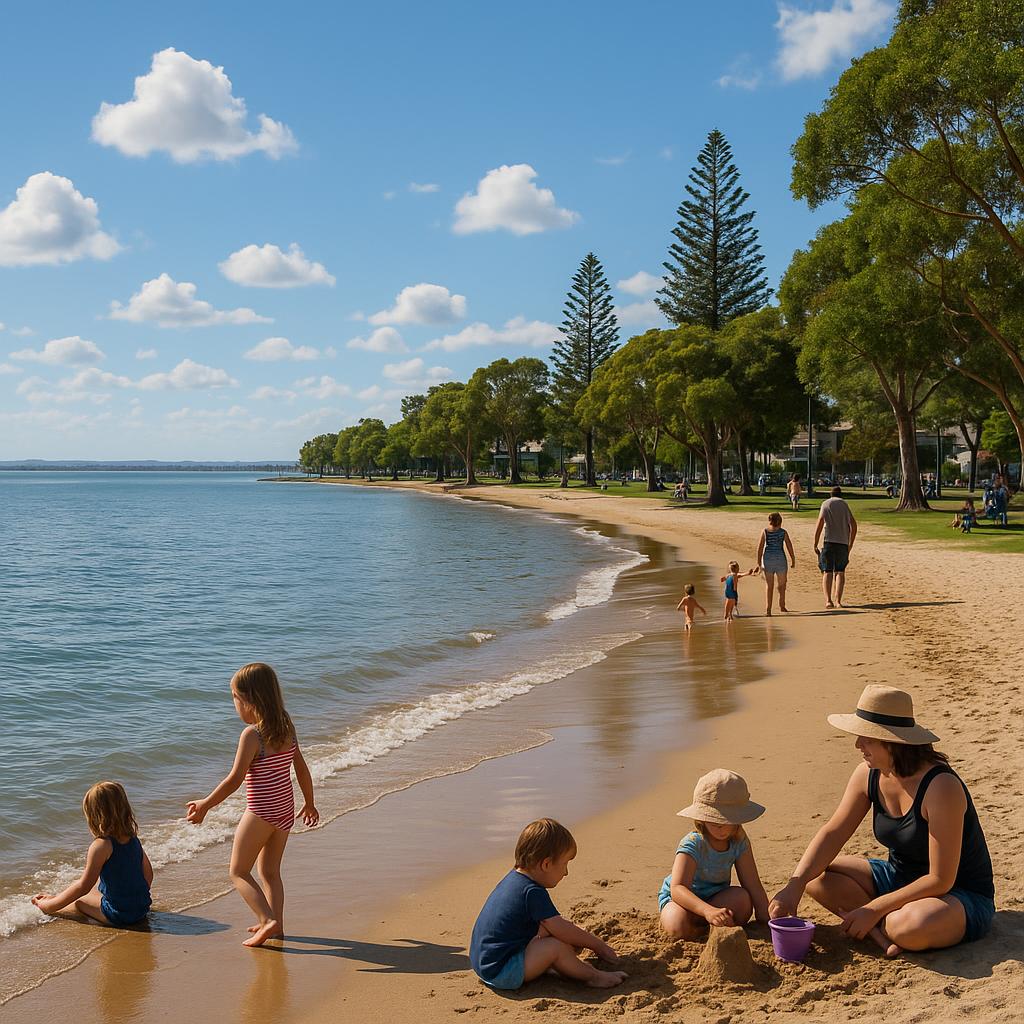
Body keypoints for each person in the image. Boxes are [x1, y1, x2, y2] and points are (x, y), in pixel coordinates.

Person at [769, 685, 994, 957]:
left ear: (891, 741)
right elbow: (833, 832)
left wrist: (873, 909)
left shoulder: (941, 787)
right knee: (814, 876)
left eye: (866, 738)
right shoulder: (868, 774)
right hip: (898, 879)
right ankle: (878, 930)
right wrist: (794, 886)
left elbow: (940, 879)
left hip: (958, 895)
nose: (857, 745)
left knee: (908, 927)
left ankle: (880, 925)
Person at [187, 662, 319, 947]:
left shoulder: (253, 735)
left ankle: (266, 920)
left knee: (238, 871)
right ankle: (277, 926)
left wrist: (206, 804)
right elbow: (302, 768)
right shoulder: (287, 725)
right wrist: (309, 802)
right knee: (270, 872)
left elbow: (234, 779)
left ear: (249, 700)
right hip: (285, 810)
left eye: (235, 699)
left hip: (261, 812)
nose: (235, 706)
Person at [469, 818, 627, 991]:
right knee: (555, 946)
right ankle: (594, 977)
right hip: (501, 972)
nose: (566, 872)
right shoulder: (532, 891)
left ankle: (558, 965)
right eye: (565, 864)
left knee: (552, 932)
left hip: (483, 963)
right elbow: (559, 927)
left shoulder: (513, 879)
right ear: (546, 864)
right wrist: (599, 946)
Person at [659, 769, 770, 939]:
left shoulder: (739, 841)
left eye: (728, 821)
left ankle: (704, 925)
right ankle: (696, 924)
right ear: (702, 818)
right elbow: (678, 888)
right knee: (677, 926)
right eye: (715, 821)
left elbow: (752, 883)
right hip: (682, 902)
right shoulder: (693, 843)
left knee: (743, 901)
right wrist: (707, 911)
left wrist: (767, 918)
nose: (722, 828)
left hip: (716, 897)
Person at [32, 781, 152, 927]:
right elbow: (148, 874)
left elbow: (83, 886)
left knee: (79, 900)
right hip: (142, 908)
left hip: (119, 916)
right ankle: (55, 898)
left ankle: (51, 905)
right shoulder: (133, 838)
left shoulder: (101, 845)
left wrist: (48, 906)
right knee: (96, 888)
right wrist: (135, 899)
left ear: (94, 815)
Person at [813, 486, 857, 609]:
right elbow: (853, 524)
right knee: (840, 572)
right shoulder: (844, 504)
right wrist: (850, 543)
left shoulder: (825, 504)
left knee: (827, 571)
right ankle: (838, 601)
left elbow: (820, 522)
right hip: (843, 542)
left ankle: (828, 600)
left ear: (830, 494)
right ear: (840, 494)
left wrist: (815, 542)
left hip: (828, 541)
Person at [756, 512, 796, 616]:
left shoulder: (765, 531)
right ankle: (782, 605)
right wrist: (793, 559)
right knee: (782, 584)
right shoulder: (783, 532)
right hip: (780, 559)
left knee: (769, 585)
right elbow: (789, 546)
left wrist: (759, 562)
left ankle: (768, 609)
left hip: (768, 559)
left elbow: (760, 548)